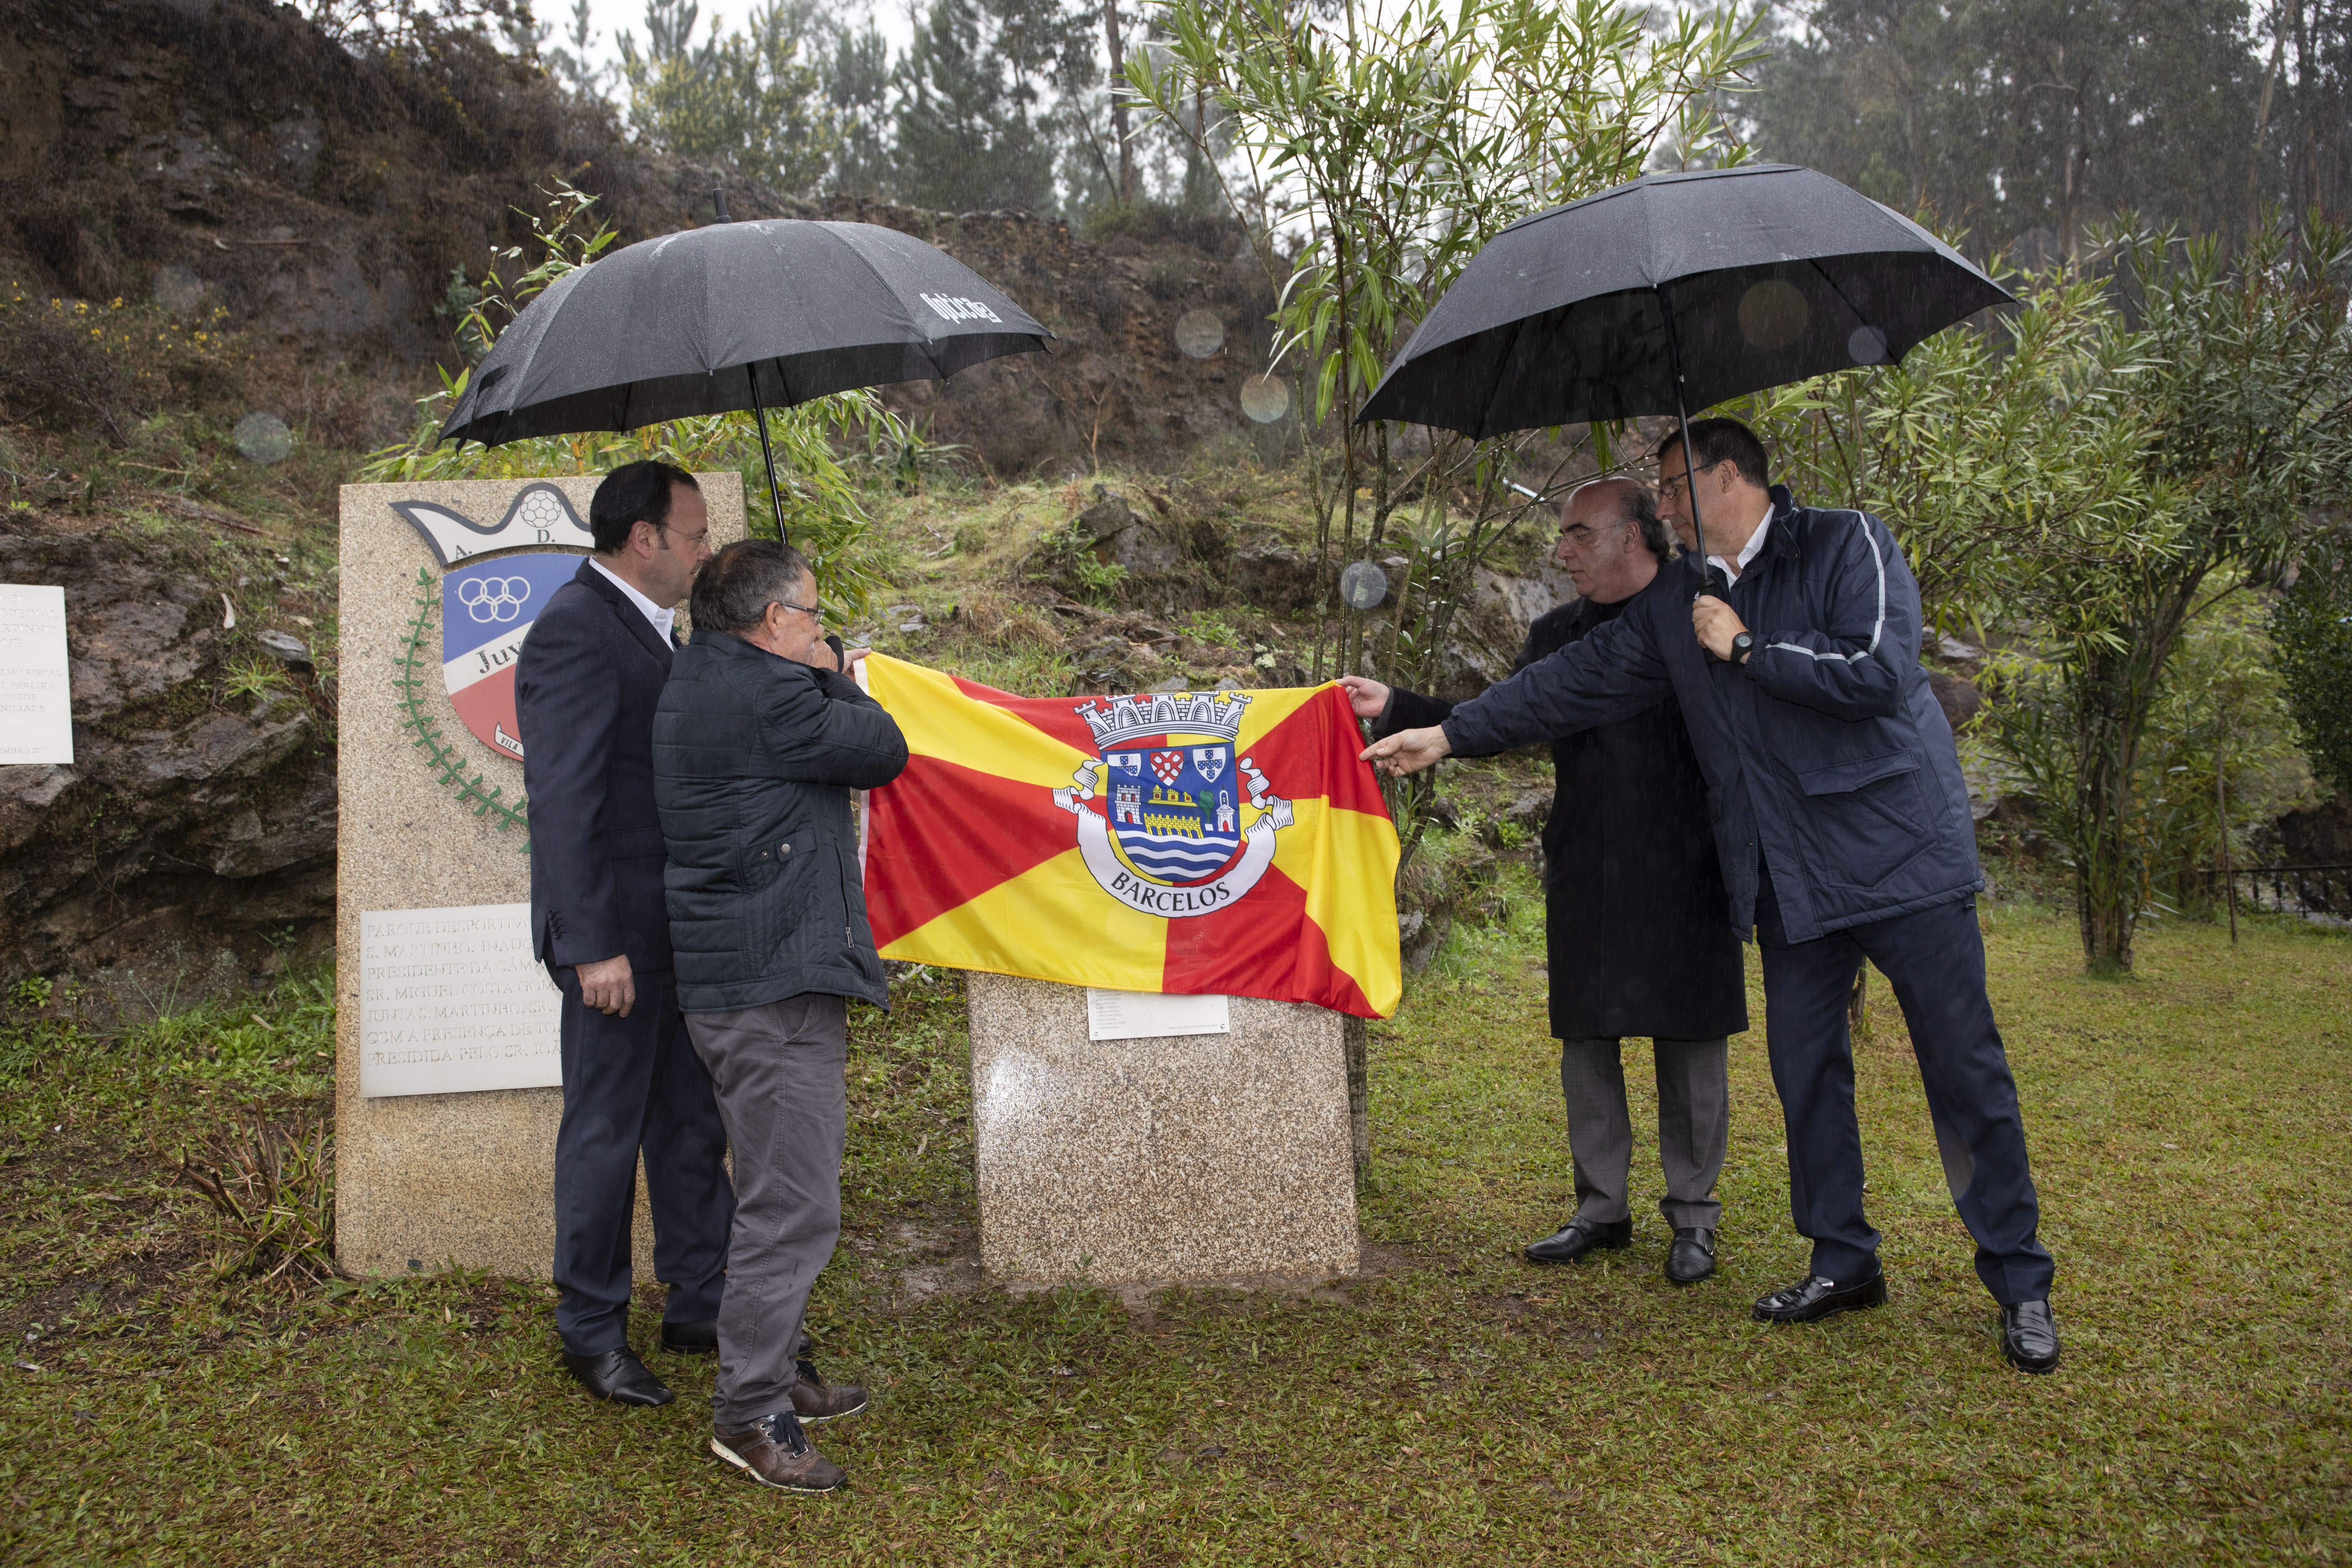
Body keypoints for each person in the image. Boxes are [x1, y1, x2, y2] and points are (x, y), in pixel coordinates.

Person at [1362, 419, 2063, 1376]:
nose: (1668, 506)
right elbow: (1575, 680)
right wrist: (1446, 735)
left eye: (1676, 484)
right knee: (1807, 1074)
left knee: (1963, 1070)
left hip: (1900, 856)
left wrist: (1744, 650)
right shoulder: (1684, 597)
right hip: (1790, 878)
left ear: (1729, 474)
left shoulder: (1846, 541)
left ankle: (2020, 1281)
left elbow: (1877, 671)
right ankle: (1843, 1260)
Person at [1338, 478, 1746, 1283]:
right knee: (1587, 1038)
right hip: (1589, 861)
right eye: (1561, 536)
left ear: (1634, 536)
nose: (1561, 552)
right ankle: (1601, 1208)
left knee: (1690, 1040)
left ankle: (1694, 1217)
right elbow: (1508, 714)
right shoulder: (1557, 631)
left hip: (1685, 862)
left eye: (1578, 534)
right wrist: (1398, 706)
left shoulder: (1698, 609)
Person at [653, 538, 910, 1493]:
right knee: (792, 1206)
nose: (818, 626)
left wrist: (817, 665)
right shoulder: (767, 693)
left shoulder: (708, 674)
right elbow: (883, 749)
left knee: (774, 1188)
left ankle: (784, 1367)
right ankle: (749, 1412)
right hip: (768, 985)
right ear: (773, 624)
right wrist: (836, 671)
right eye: (810, 614)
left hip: (749, 976)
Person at [515, 461, 735, 1409]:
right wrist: (591, 944)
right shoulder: (577, 629)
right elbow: (563, 800)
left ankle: (701, 1299)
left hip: (675, 933)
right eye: (694, 536)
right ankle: (591, 1329)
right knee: (605, 1131)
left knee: (689, 1122)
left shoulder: (659, 632)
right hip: (617, 945)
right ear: (643, 538)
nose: (704, 551)